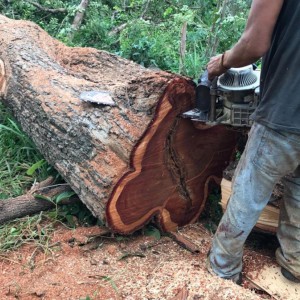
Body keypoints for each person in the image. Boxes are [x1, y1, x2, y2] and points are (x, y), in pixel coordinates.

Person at [206, 0, 300, 284]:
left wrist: (221, 62)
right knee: (298, 190)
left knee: (248, 192)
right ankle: (294, 262)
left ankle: (222, 271)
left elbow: (254, 44)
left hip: (285, 109)